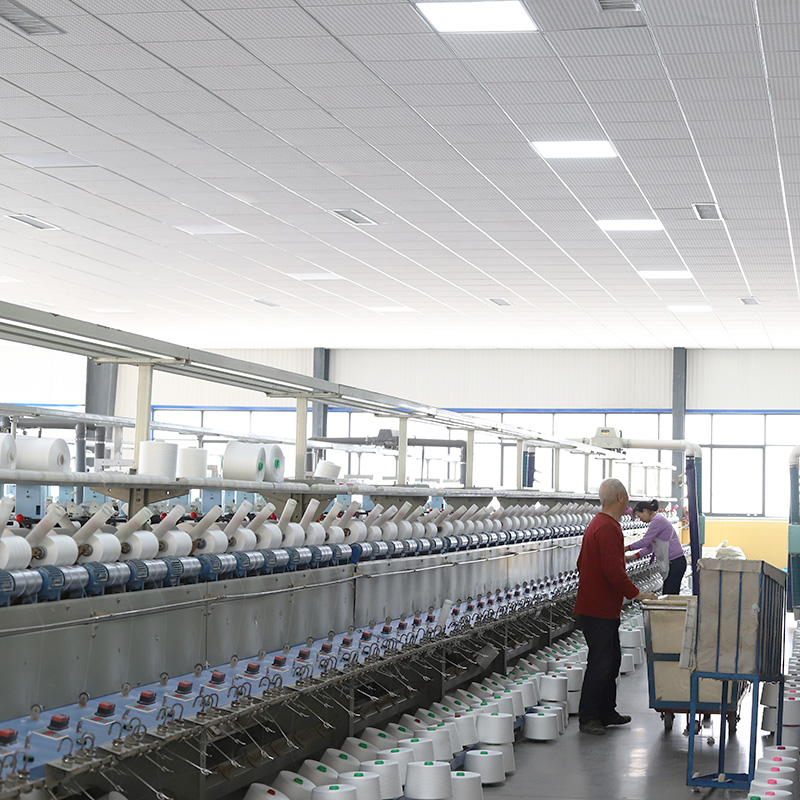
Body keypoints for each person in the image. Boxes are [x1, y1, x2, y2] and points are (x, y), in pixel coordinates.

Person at [574, 478, 657, 736]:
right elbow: (613, 571)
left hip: (600, 607)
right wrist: (637, 594)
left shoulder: (597, 524)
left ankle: (606, 711)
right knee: (600, 663)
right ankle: (589, 717)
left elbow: (581, 564)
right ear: (621, 497)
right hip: (598, 609)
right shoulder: (609, 527)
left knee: (611, 661)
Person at [627, 499, 686, 596]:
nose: (640, 520)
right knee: (667, 594)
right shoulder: (657, 520)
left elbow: (645, 541)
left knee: (669, 596)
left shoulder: (657, 520)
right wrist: (632, 557)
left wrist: (626, 548)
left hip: (675, 563)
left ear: (645, 511)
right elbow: (649, 548)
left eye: (639, 516)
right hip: (673, 563)